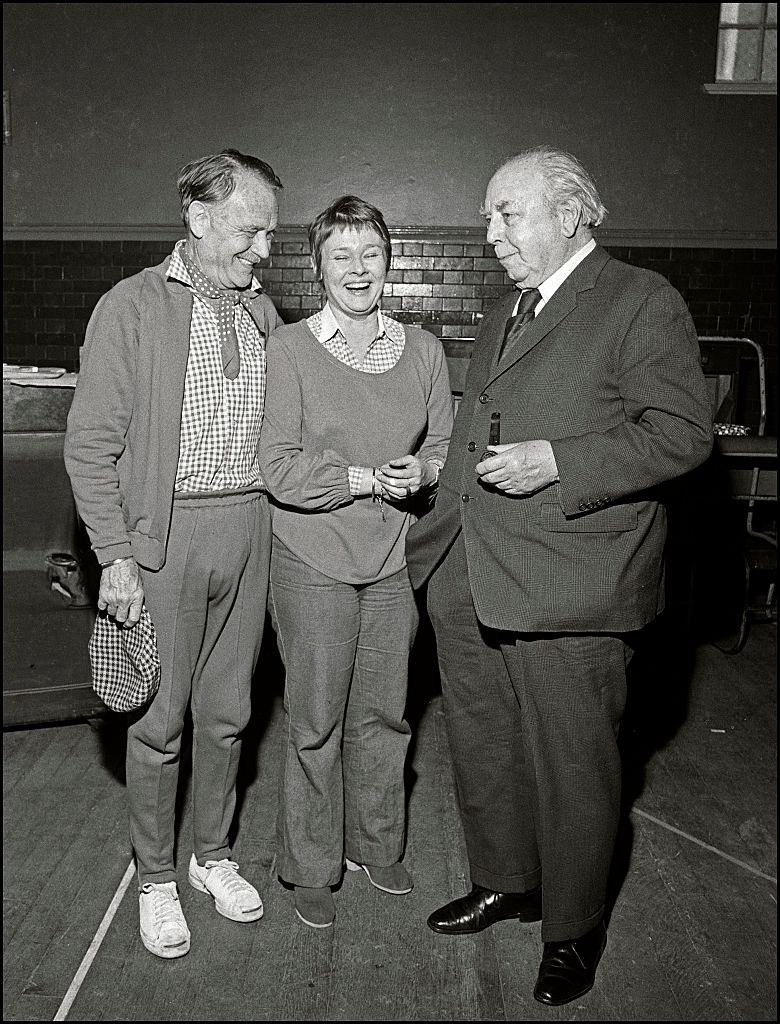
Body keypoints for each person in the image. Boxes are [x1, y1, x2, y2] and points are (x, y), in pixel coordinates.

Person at [405, 146, 713, 1005]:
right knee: (483, 745)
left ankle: (573, 929)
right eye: (488, 214)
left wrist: (559, 460)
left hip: (570, 579)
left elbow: (683, 433)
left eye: (508, 213)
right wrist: (435, 492)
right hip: (470, 570)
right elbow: (477, 431)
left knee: (575, 765)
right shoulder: (510, 306)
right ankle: (508, 878)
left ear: (571, 212)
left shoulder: (640, 300)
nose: (490, 231)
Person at [64, 149, 284, 959]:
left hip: (250, 532)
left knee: (228, 716)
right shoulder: (128, 307)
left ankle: (211, 857)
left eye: (269, 232)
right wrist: (114, 555)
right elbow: (89, 446)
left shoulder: (263, 313)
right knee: (158, 723)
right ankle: (156, 877)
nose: (263, 249)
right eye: (249, 229)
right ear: (197, 218)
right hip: (164, 539)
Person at [258, 195, 453, 929]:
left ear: (389, 261)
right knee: (315, 718)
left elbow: (442, 448)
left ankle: (379, 844)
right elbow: (277, 467)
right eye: (341, 255)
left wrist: (426, 475)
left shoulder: (424, 349)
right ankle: (309, 864)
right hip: (313, 556)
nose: (358, 268)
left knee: (385, 713)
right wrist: (369, 478)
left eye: (370, 252)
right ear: (317, 268)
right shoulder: (291, 349)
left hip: (394, 557)